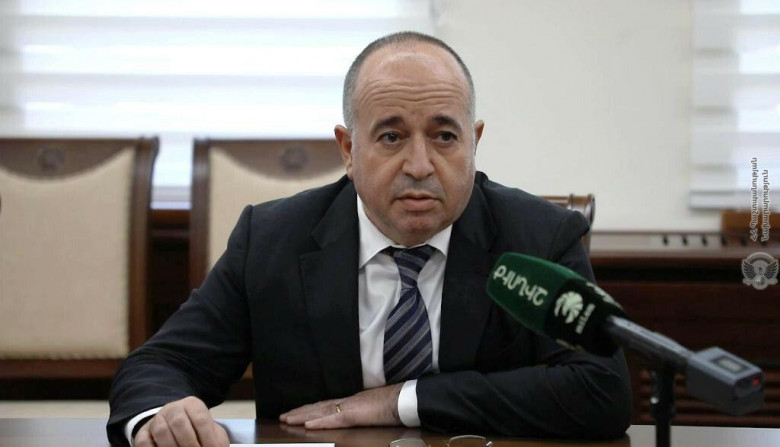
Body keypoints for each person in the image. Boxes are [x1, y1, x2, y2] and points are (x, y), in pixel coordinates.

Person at [107, 31, 632, 446]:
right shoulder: (273, 239)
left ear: (474, 143)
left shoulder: (537, 237)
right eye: (391, 136)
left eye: (445, 136)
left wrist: (400, 401)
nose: (420, 165)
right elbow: (160, 366)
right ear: (348, 149)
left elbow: (601, 389)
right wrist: (161, 416)